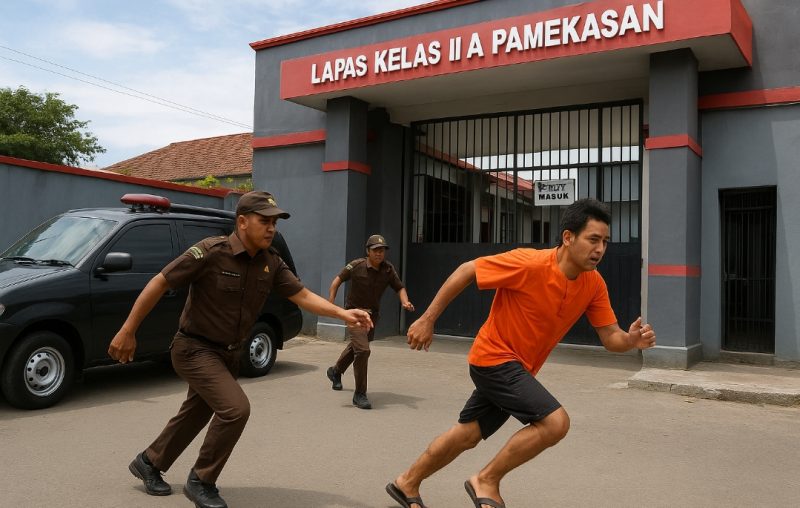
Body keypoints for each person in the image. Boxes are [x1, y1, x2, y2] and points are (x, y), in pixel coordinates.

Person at [385, 198, 656, 508]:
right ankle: (486, 480)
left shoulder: (593, 284)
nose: (600, 249)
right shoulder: (529, 263)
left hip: (518, 368)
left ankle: (406, 482)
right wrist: (427, 319)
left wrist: (632, 341)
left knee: (467, 434)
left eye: (605, 241)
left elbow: (611, 338)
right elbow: (467, 270)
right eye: (593, 239)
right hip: (493, 358)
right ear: (568, 237)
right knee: (555, 423)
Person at [107, 191, 372, 508]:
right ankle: (201, 480)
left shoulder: (271, 262)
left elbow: (302, 296)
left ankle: (149, 462)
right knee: (235, 409)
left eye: (275, 222)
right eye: (265, 221)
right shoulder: (210, 252)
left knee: (198, 410)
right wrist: (128, 330)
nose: (272, 228)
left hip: (228, 353)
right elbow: (160, 282)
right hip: (194, 348)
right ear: (243, 222)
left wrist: (343, 314)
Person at [326, 234, 414, 409]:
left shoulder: (388, 270)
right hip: (354, 315)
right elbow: (337, 281)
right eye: (375, 250)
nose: (379, 254)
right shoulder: (356, 265)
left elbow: (399, 287)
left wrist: (405, 301)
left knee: (358, 348)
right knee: (363, 350)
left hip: (372, 317)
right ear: (368, 251)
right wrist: (330, 304)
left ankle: (335, 371)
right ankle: (360, 394)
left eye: (382, 250)